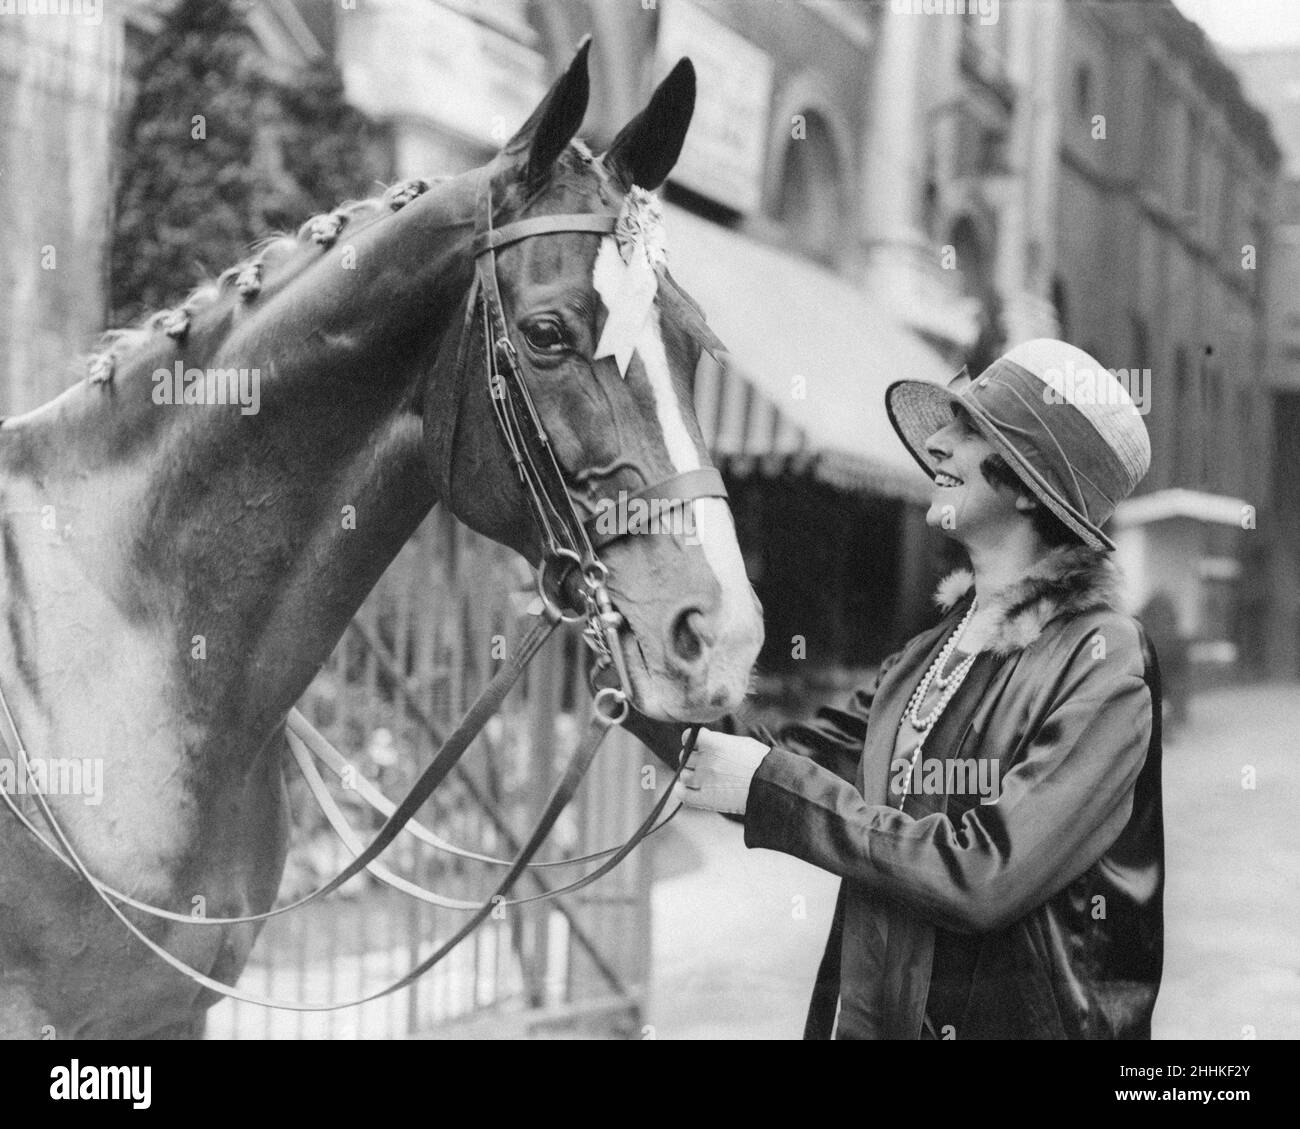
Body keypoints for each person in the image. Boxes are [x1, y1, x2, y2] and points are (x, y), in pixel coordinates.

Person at [622, 338, 1164, 1040]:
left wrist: (771, 784)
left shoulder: (1104, 660)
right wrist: (630, 669)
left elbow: (982, 874)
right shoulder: (923, 658)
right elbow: (783, 761)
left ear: (1029, 485)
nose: (936, 442)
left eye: (968, 429)